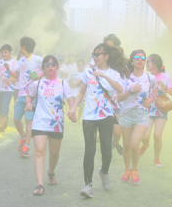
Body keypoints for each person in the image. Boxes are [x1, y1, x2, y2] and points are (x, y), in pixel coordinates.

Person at [68, 43, 124, 198]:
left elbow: (120, 89)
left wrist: (104, 75)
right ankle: (88, 185)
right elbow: (81, 92)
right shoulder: (88, 72)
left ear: (106, 56)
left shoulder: (113, 73)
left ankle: (104, 172)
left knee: (106, 150)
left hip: (106, 116)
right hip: (89, 116)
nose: (95, 56)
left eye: (98, 54)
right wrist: (73, 108)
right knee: (90, 150)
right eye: (94, 54)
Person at [26, 55, 75, 196]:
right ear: (43, 68)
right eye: (47, 64)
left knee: (54, 153)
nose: (50, 66)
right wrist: (28, 102)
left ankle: (51, 172)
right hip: (40, 121)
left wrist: (72, 110)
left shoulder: (63, 83)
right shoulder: (38, 83)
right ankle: (40, 185)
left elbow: (70, 99)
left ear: (57, 67)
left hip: (56, 124)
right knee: (40, 151)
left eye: (53, 64)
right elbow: (30, 96)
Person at [117, 50, 158, 185]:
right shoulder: (125, 77)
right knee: (127, 145)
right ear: (132, 60)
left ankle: (135, 170)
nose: (140, 60)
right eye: (137, 58)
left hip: (142, 114)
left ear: (145, 61)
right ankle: (127, 169)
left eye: (142, 58)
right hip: (126, 114)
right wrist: (131, 90)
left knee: (135, 144)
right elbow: (119, 97)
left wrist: (151, 99)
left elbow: (156, 89)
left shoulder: (150, 77)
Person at [6, 37, 43, 157]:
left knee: (28, 120)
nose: (20, 48)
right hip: (21, 94)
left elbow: (47, 72)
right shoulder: (21, 61)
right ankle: (23, 137)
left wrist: (37, 75)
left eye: (21, 45)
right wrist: (8, 70)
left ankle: (26, 146)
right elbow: (17, 75)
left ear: (24, 47)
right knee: (16, 119)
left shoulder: (38, 59)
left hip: (32, 95)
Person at [140, 54, 172, 167]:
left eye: (148, 62)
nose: (146, 64)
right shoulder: (145, 76)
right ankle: (146, 145)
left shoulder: (166, 76)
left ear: (155, 64)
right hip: (148, 109)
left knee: (157, 136)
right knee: (145, 136)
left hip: (161, 110)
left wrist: (165, 87)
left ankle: (157, 158)